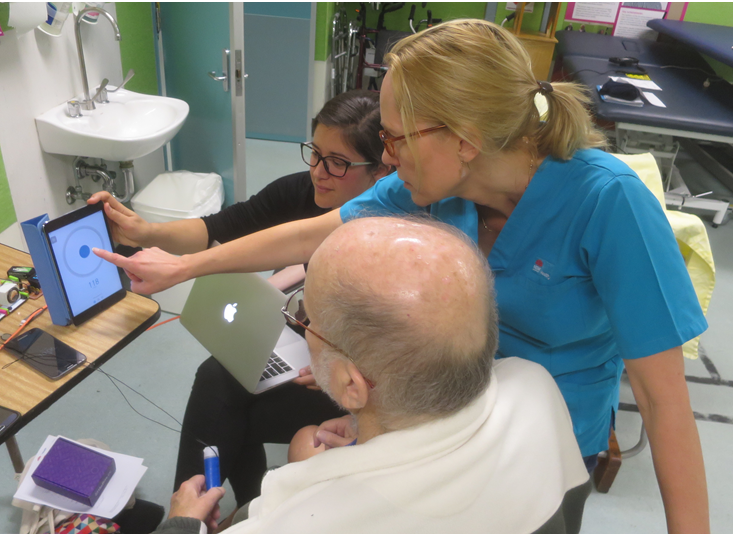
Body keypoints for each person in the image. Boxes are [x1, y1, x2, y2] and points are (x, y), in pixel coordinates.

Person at [94, 20, 709, 532]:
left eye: (394, 138)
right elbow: (318, 230)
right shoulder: (432, 185)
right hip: (430, 406)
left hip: (536, 437)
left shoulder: (607, 203)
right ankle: (231, 512)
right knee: (231, 391)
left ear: (464, 140)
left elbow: (662, 403)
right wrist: (184, 265)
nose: (384, 156)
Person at [156, 217, 591, 534]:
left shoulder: (296, 523)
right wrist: (369, 436)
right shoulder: (537, 387)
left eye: (305, 317)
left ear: (352, 385)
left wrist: (180, 524)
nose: (300, 323)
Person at [88, 90, 392, 508]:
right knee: (219, 376)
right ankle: (197, 504)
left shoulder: (391, 233)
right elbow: (219, 227)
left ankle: (228, 510)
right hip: (312, 347)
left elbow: (401, 347)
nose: (319, 172)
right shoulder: (301, 193)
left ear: (380, 172)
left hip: (362, 377)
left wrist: (339, 363)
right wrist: (146, 232)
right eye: (315, 153)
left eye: (337, 163)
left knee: (234, 412)